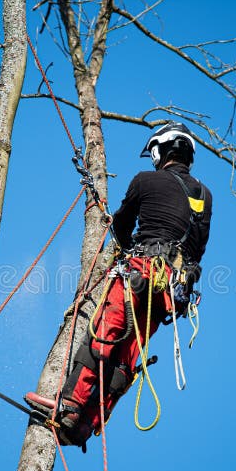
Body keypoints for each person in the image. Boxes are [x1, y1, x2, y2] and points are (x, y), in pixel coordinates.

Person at [29, 122, 213, 449]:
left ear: (162, 150)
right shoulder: (204, 195)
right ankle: (87, 423)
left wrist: (124, 244)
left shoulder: (145, 181)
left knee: (105, 332)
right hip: (172, 289)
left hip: (141, 271)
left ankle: (70, 406)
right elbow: (198, 248)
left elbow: (123, 226)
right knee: (128, 353)